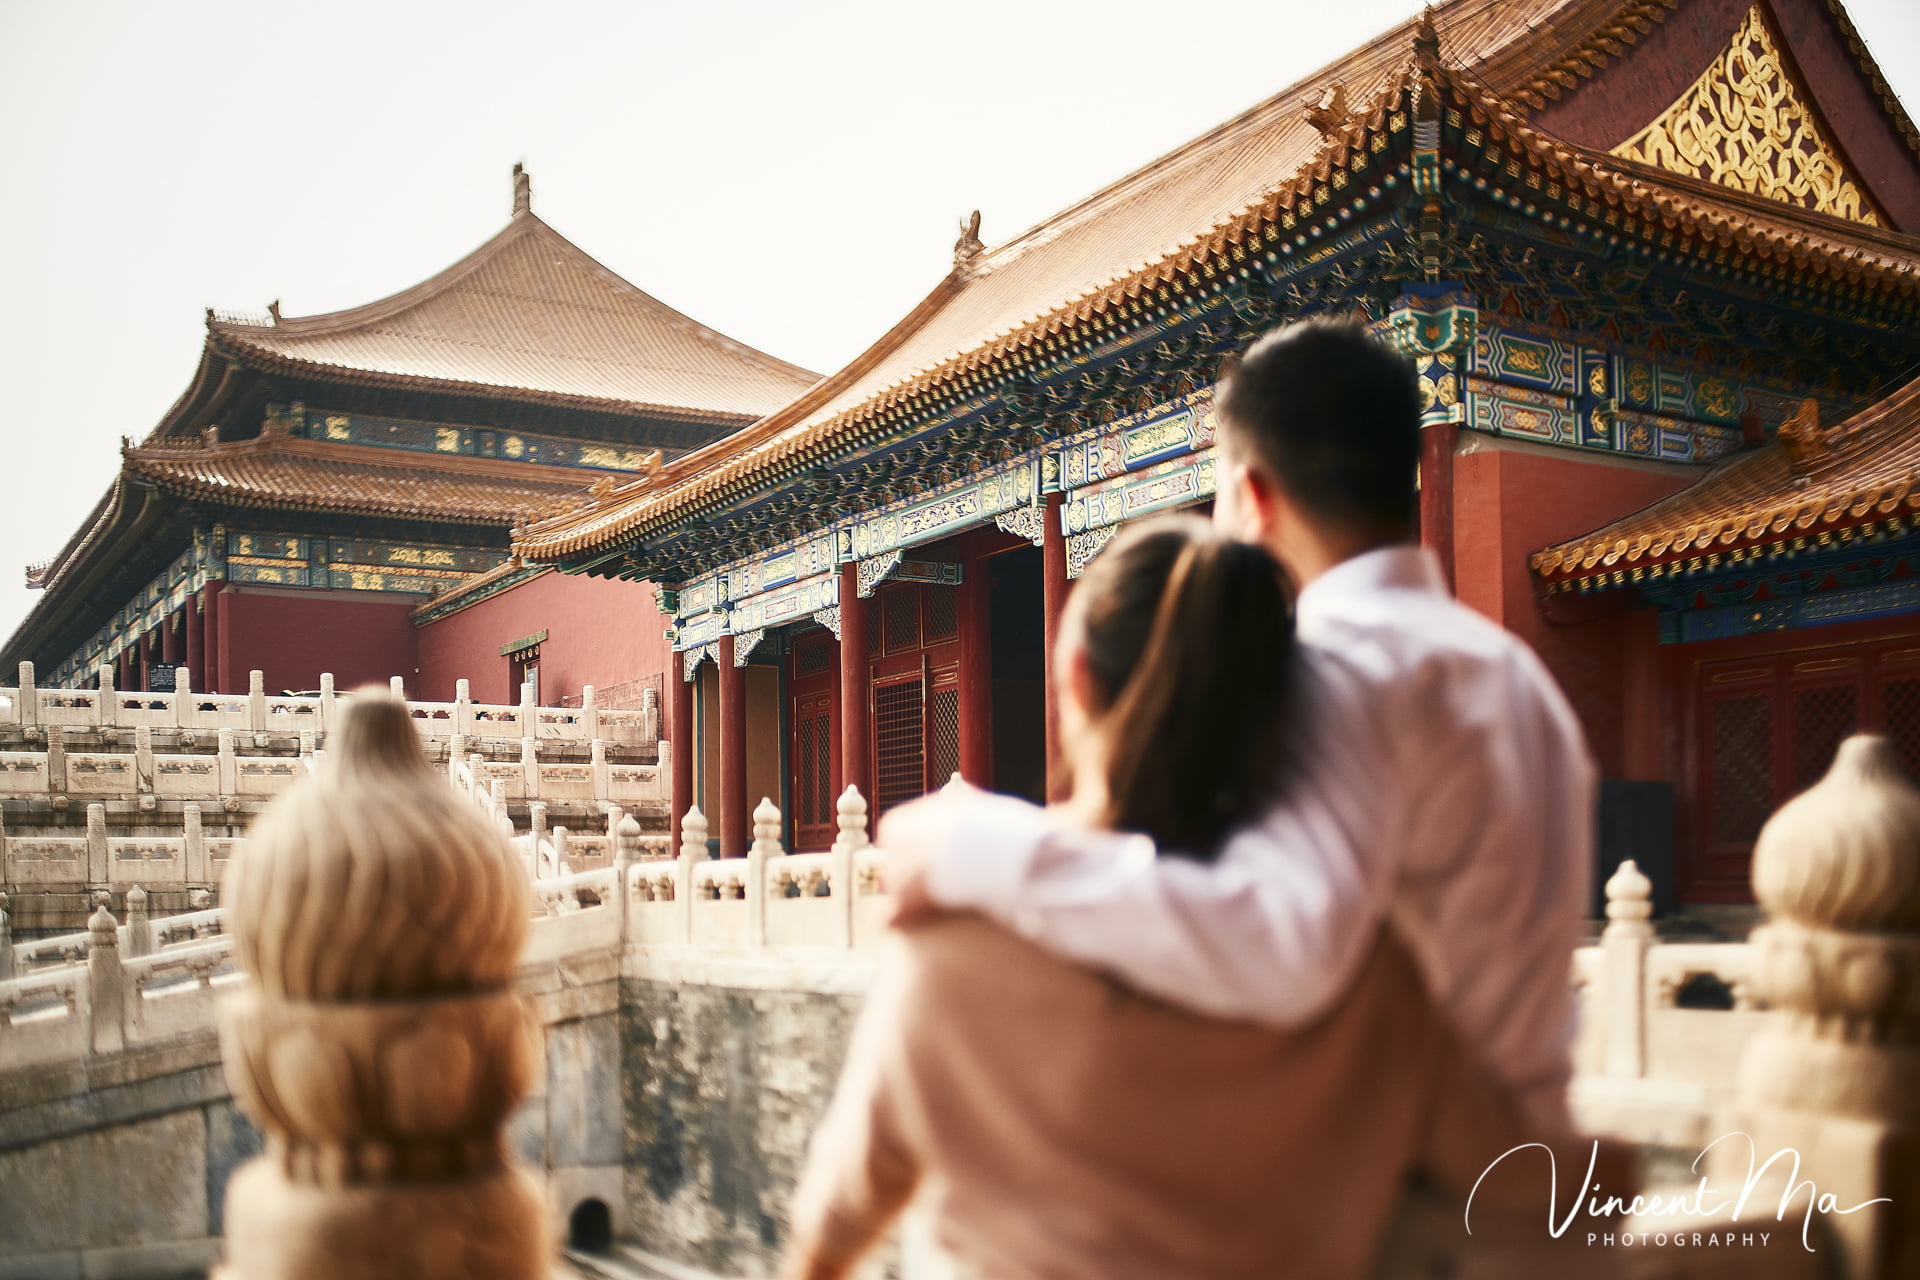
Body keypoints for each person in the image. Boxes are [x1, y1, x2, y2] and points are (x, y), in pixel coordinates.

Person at [782, 519, 1609, 1280]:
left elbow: (847, 1204)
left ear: (1075, 679)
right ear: (1284, 718)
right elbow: (1530, 1184)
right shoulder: (1375, 973)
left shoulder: (950, 945)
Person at [882, 319, 1595, 1132]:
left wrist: (980, 845)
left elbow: (1278, 940)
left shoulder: (1333, 670)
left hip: (1402, 1206)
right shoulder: (1521, 681)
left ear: (1252, 497)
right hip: (1536, 1177)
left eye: (1216, 486)